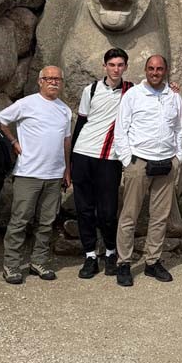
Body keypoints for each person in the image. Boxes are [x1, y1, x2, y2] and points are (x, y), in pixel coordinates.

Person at [113, 54, 182, 286]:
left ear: (166, 71)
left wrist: (178, 157)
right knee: (129, 215)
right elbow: (121, 129)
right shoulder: (133, 95)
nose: (155, 72)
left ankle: (152, 261)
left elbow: (179, 129)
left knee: (160, 217)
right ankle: (123, 263)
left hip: (166, 162)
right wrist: (127, 160)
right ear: (145, 70)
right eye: (151, 68)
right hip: (139, 162)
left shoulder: (173, 96)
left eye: (160, 69)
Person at [0, 66, 73, 284]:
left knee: (46, 222)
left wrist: (67, 169)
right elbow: (1, 120)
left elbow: (66, 141)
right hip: (28, 173)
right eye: (48, 78)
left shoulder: (64, 110)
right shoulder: (26, 104)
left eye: (57, 79)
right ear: (40, 81)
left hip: (54, 174)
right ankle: (11, 265)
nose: (53, 82)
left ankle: (38, 261)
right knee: (20, 221)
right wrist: (13, 142)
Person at [68, 48, 133, 279]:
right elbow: (81, 122)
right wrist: (70, 161)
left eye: (120, 65)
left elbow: (157, 93)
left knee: (107, 211)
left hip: (110, 158)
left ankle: (110, 252)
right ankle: (89, 256)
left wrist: (173, 89)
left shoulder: (132, 91)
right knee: (84, 209)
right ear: (104, 65)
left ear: (125, 67)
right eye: (112, 64)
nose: (116, 69)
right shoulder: (91, 89)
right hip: (83, 153)